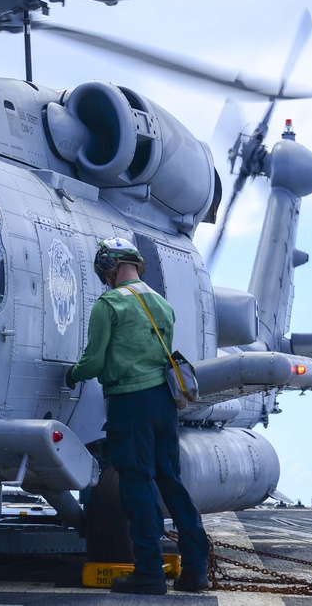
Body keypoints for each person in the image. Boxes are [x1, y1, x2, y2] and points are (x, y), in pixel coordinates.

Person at [66, 237, 210, 595]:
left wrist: (72, 373)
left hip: (130, 404)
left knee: (136, 485)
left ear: (108, 268)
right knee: (170, 483)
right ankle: (196, 570)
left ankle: (149, 572)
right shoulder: (161, 304)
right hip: (164, 403)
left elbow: (95, 362)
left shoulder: (109, 304)